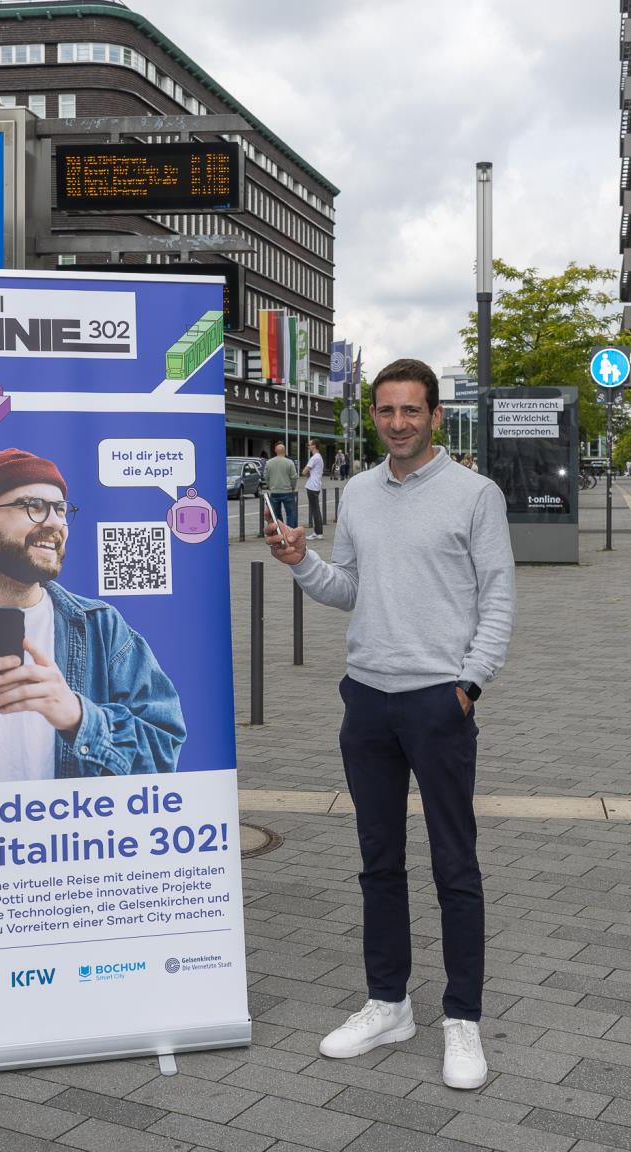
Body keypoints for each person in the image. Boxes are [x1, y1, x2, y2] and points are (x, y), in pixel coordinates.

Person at [264, 357, 513, 1092]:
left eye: (411, 410)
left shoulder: (476, 494)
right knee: (378, 862)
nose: (398, 423)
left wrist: (469, 684)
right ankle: (389, 1004)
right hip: (366, 699)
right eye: (386, 410)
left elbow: (498, 596)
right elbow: (349, 588)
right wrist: (301, 561)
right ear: (373, 416)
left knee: (454, 865)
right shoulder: (360, 494)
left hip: (439, 701)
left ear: (435, 415)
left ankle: (461, 1017)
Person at [0, 448, 184, 786]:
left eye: (60, 509)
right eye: (34, 506)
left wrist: (78, 716)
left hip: (66, 823)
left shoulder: (101, 627)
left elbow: (164, 751)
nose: (56, 523)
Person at [264, 441, 299, 529]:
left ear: (275, 451)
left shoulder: (269, 462)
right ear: (284, 451)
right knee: (290, 513)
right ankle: (290, 531)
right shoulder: (290, 462)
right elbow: (294, 477)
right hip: (287, 491)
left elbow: (265, 476)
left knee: (276, 514)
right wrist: (292, 487)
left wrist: (270, 485)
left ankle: (280, 530)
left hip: (275, 492)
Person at [304, 439, 327, 540]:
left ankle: (318, 532)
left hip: (312, 486)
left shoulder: (314, 458)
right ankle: (318, 532)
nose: (308, 447)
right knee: (316, 509)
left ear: (314, 446)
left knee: (315, 510)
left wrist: (306, 472)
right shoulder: (319, 457)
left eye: (309, 445)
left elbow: (304, 471)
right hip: (316, 485)